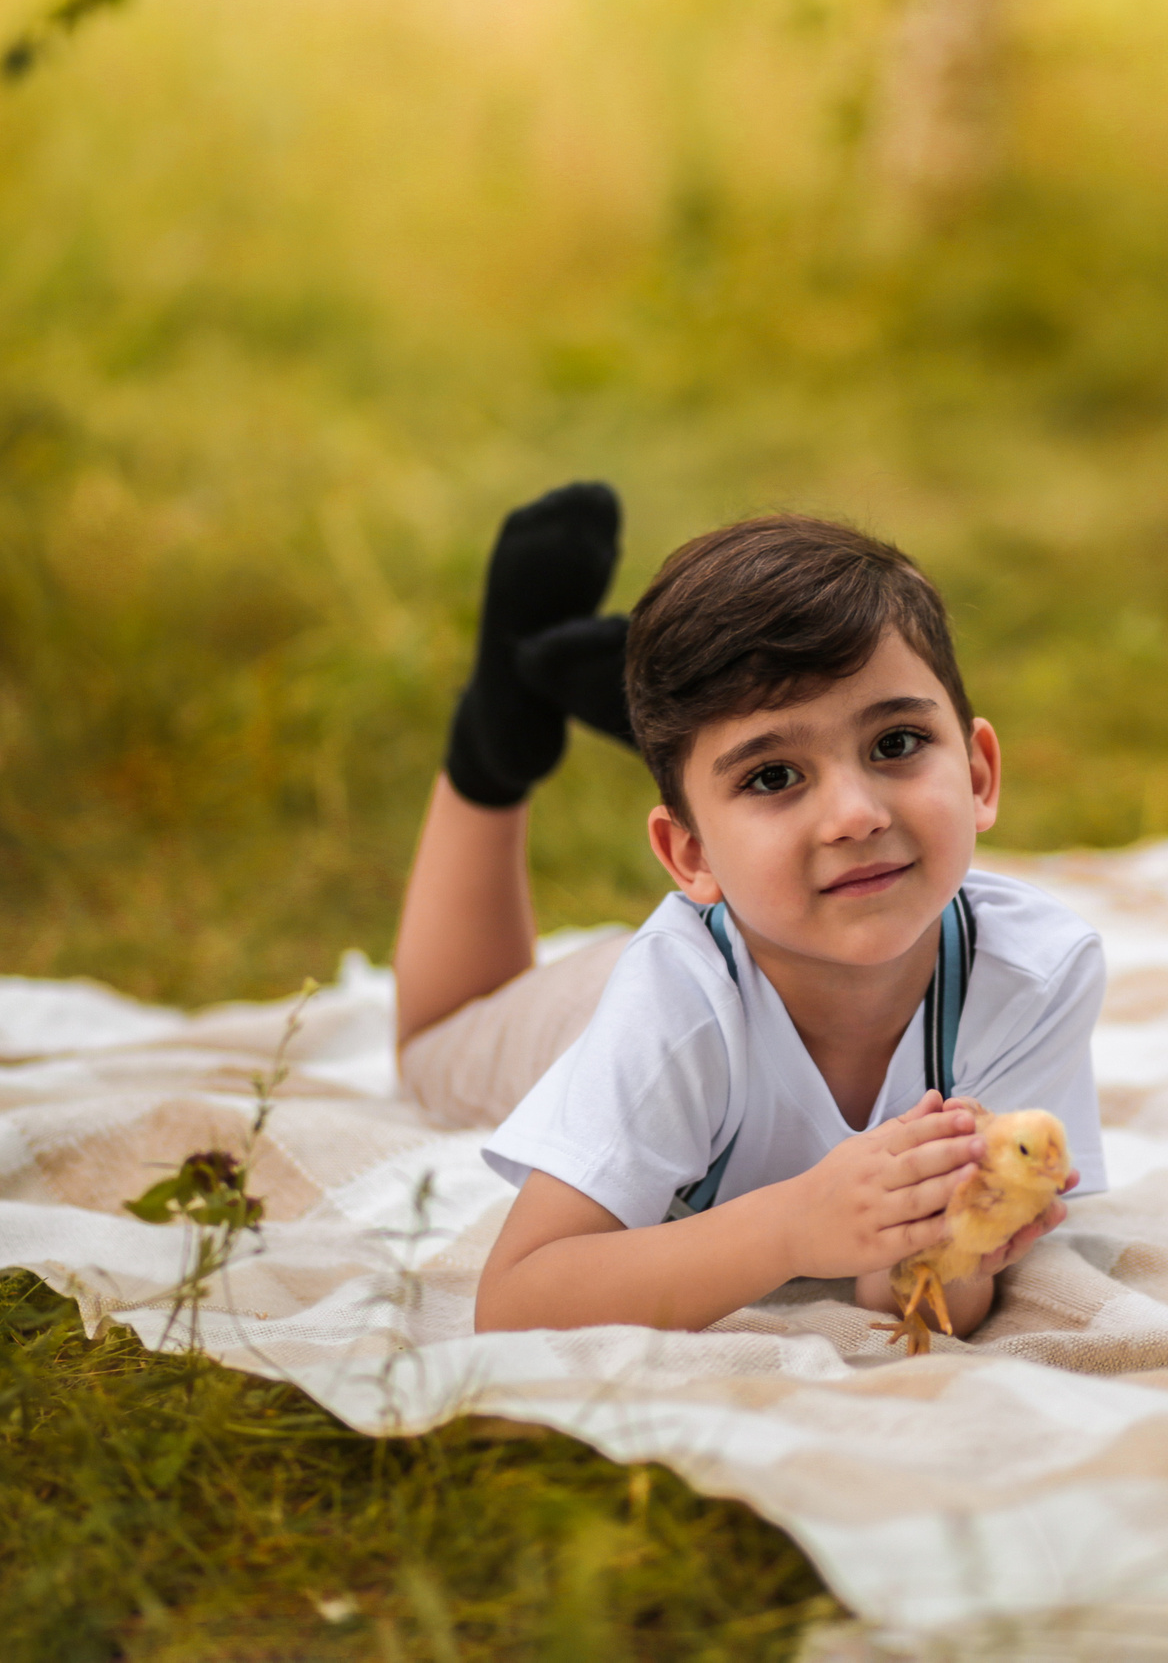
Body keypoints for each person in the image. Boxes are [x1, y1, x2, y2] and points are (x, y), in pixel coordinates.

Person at [391, 482, 1107, 1337]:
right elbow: (516, 1301)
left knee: (758, 758)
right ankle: (498, 729)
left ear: (979, 774)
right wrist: (792, 1226)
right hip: (614, 1006)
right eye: (775, 776)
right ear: (688, 855)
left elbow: (912, 1302)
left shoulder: (1035, 977)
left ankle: (716, 750)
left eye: (896, 743)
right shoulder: (669, 1017)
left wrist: (945, 1241)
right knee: (432, 1042)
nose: (857, 816)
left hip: (759, 928)